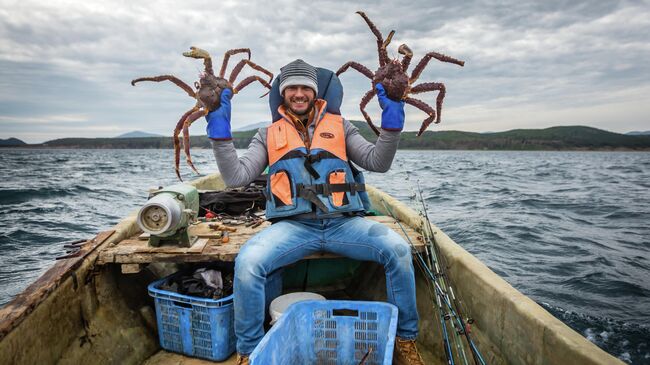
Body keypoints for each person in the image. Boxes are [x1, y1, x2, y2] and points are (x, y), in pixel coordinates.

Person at [207, 59, 424, 365]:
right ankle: (250, 351)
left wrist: (392, 125)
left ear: (315, 92)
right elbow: (236, 178)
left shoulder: (341, 126)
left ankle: (405, 338)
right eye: (291, 88)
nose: (298, 93)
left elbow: (378, 162)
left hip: (343, 225)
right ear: (282, 94)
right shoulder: (266, 134)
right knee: (248, 263)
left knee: (398, 251)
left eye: (304, 88)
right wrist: (220, 135)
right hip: (293, 228)